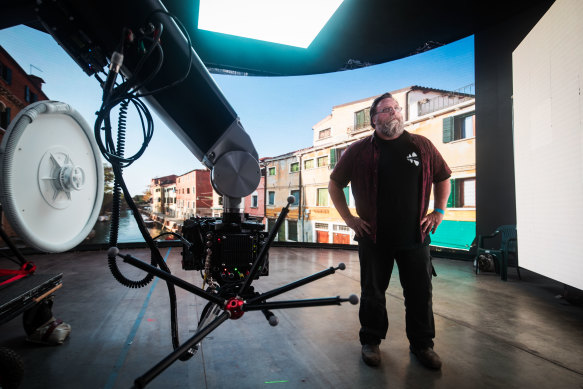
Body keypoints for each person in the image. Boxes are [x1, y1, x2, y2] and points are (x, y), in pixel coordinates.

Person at [328, 92, 451, 370]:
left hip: (415, 238)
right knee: (373, 292)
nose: (394, 112)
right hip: (373, 238)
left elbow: (444, 177)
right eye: (386, 109)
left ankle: (423, 345)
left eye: (396, 108)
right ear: (374, 119)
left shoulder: (423, 146)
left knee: (420, 293)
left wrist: (439, 212)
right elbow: (335, 184)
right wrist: (349, 218)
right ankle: (370, 342)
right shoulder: (358, 150)